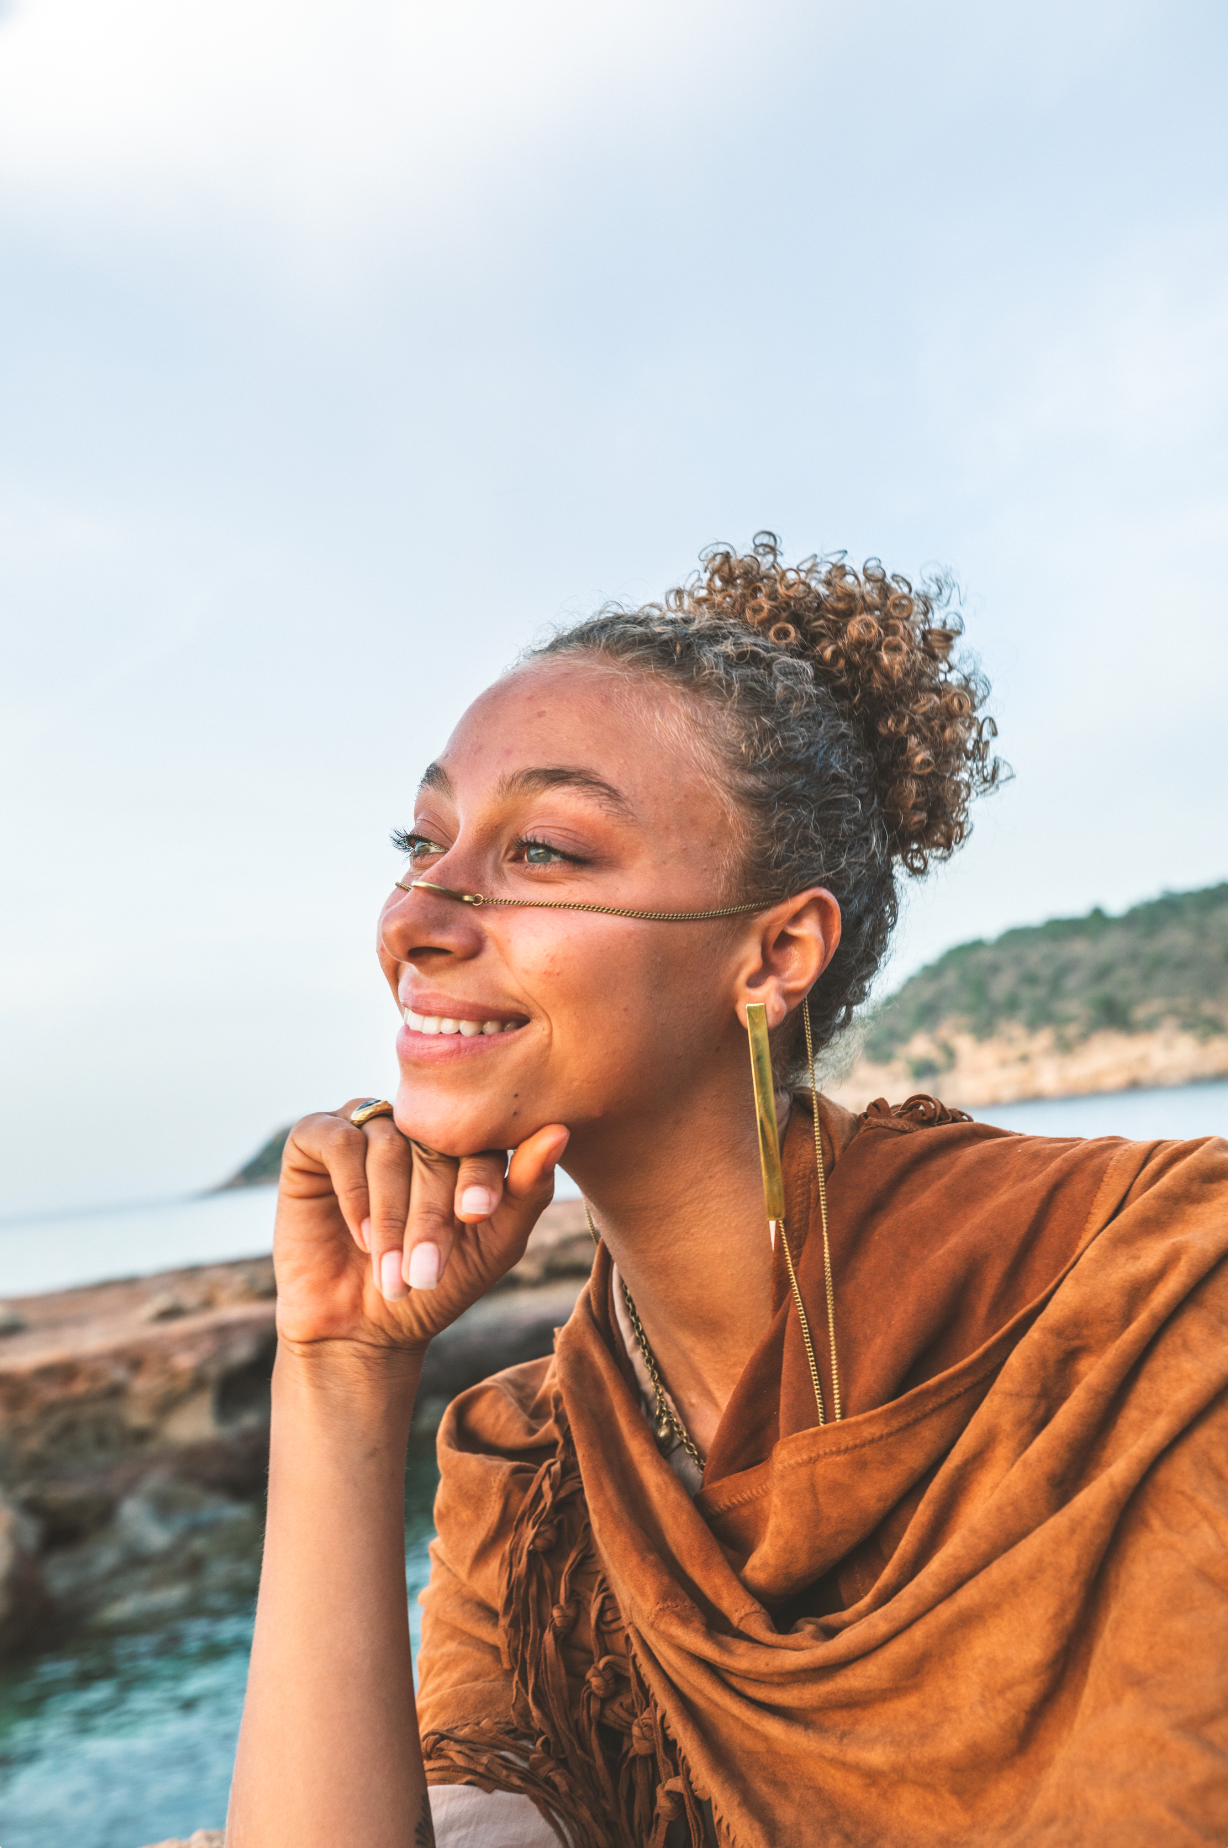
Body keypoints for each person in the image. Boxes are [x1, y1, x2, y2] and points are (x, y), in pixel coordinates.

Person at [227, 536, 1228, 1848]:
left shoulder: (1160, 1287)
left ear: (775, 955)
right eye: (422, 840)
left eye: (540, 849)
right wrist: (337, 1365)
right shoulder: (538, 1487)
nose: (416, 913)